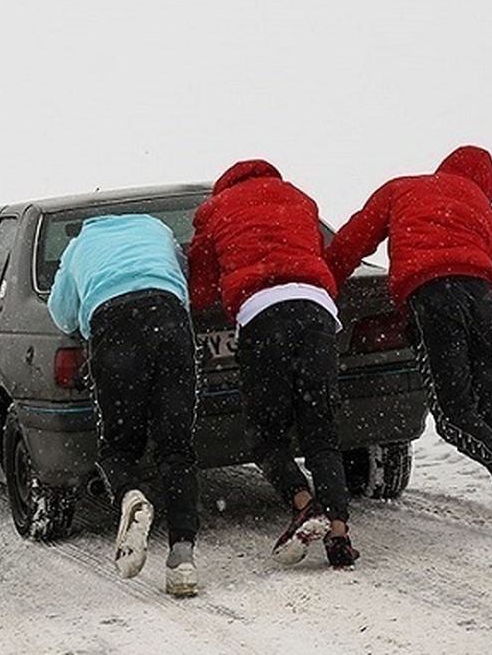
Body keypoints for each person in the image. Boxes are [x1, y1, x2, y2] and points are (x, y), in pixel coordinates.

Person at [324, 145, 492, 544]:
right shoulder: (486, 212)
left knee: (453, 417)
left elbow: (354, 239)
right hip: (483, 299)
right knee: (482, 410)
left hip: (432, 294)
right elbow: (488, 252)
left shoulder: (402, 189)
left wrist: (325, 282)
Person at [189, 158, 359, 569]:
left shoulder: (215, 210)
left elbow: (200, 288)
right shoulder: (299, 198)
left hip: (263, 315)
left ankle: (303, 503)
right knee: (321, 428)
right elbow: (317, 250)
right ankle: (338, 535)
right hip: (317, 311)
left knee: (266, 433)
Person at [47, 214, 201, 597]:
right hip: (168, 316)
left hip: (112, 322)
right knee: (176, 446)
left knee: (118, 444)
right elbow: (184, 275)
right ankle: (182, 561)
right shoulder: (158, 230)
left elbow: (62, 314)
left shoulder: (78, 247)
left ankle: (131, 494)